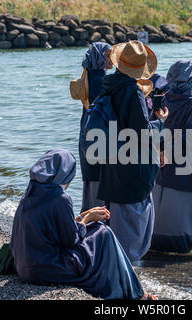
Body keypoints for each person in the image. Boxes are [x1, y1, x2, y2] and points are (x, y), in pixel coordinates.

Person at [10, 149, 157, 300]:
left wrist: (84, 215)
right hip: (48, 269)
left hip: (25, 267)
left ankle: (132, 288)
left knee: (97, 232)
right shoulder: (60, 198)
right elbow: (70, 240)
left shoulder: (31, 192)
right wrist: (88, 219)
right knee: (103, 232)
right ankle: (136, 293)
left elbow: (54, 233)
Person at [96, 40, 169, 263]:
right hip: (132, 165)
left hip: (112, 160)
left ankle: (113, 266)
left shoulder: (107, 86)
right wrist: (160, 122)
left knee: (117, 218)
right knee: (134, 223)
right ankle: (127, 274)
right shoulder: (132, 91)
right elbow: (141, 132)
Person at [150, 60, 192, 253]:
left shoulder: (162, 97)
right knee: (185, 210)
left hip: (164, 160)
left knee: (162, 203)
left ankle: (156, 244)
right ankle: (187, 247)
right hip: (186, 164)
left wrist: (162, 149)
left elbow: (154, 127)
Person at [71, 42, 113, 212]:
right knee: (99, 179)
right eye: (108, 55)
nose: (112, 59)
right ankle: (97, 221)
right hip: (97, 134)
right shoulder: (100, 79)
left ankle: (88, 215)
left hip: (86, 131)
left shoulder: (88, 75)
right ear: (99, 57)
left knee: (91, 179)